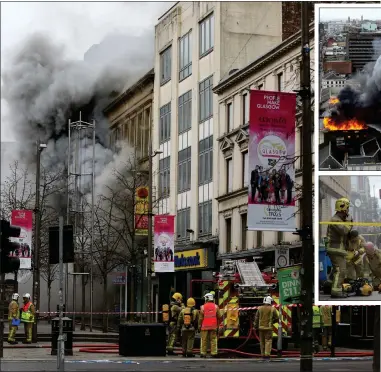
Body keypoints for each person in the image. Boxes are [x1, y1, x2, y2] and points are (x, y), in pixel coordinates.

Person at [326, 197, 352, 298]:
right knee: (341, 270)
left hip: (338, 250)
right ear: (344, 209)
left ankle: (328, 286)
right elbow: (345, 231)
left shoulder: (339, 219)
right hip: (335, 249)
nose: (348, 212)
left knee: (336, 270)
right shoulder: (335, 220)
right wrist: (349, 221)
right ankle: (336, 291)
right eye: (348, 209)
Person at [254, 296, 278, 361]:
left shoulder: (259, 308)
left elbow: (256, 318)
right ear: (270, 301)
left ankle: (262, 355)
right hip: (268, 328)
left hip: (260, 328)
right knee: (268, 341)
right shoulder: (273, 309)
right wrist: (272, 322)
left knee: (261, 342)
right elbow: (276, 318)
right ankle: (267, 355)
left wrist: (255, 327)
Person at [198, 293, 221, 358]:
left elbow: (200, 318)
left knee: (204, 340)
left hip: (204, 327)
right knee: (213, 339)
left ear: (206, 298)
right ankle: (214, 353)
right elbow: (219, 316)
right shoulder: (216, 306)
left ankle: (203, 353)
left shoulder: (202, 307)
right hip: (213, 326)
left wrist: (199, 326)